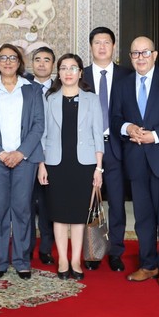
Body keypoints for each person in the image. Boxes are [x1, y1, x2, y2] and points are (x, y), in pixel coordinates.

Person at [111, 36, 159, 288]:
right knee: (143, 217)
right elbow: (114, 118)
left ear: (155, 55)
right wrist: (128, 128)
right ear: (130, 57)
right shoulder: (123, 84)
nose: (140, 57)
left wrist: (154, 136)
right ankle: (148, 264)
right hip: (136, 160)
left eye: (145, 52)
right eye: (135, 53)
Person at [0, 44, 45, 279]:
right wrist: (0, 152)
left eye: (12, 58)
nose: (7, 61)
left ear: (19, 62)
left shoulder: (32, 89)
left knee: (23, 209)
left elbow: (38, 125)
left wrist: (20, 152)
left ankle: (22, 259)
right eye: (3, 58)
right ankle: (0, 260)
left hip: (24, 160)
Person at [38, 53, 104, 280]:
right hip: (56, 164)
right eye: (64, 68)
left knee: (77, 215)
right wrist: (41, 165)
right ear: (59, 72)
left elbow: (98, 135)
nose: (68, 72)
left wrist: (98, 168)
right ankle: (63, 260)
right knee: (58, 215)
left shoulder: (92, 100)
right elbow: (43, 136)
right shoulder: (50, 99)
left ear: (80, 72)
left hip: (83, 165)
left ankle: (75, 259)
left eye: (73, 68)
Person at [82, 27, 133, 271]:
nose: (102, 47)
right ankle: (91, 251)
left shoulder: (128, 75)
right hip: (87, 148)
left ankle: (116, 252)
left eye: (107, 42)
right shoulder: (80, 75)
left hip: (117, 147)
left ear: (114, 46)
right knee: (87, 201)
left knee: (116, 203)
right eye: (97, 42)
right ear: (90, 47)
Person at [28, 46, 56, 265]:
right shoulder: (22, 87)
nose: (41, 64)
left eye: (47, 60)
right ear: (31, 64)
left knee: (48, 205)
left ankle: (46, 247)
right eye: (37, 59)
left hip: (53, 156)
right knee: (25, 203)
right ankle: (26, 246)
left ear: (53, 65)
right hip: (27, 155)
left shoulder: (61, 87)